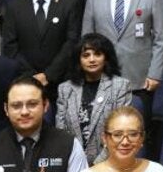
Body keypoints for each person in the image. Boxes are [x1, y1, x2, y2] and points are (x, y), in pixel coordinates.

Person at [82, 0, 163, 128]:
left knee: (137, 130)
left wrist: (155, 74)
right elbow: (87, 38)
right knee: (103, 129)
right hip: (102, 75)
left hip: (140, 79)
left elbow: (161, 38)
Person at [56, 34, 133, 164]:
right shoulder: (65, 89)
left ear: (106, 58)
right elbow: (61, 131)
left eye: (97, 54)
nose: (92, 59)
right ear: (79, 60)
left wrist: (97, 165)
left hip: (109, 163)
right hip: (73, 162)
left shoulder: (120, 86)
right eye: (86, 55)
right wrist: (77, 163)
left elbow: (120, 132)